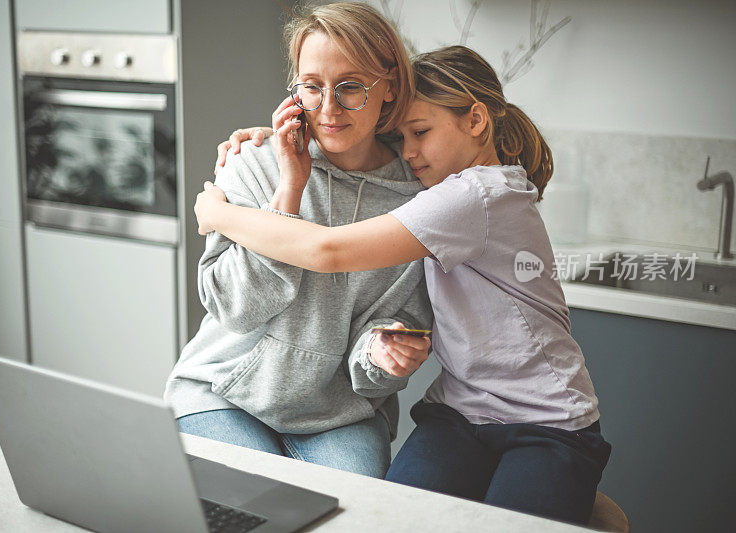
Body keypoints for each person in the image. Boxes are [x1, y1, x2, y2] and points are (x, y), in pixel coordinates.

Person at [195, 45, 612, 526]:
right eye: (401, 136)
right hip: (459, 414)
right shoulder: (442, 188)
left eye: (420, 133)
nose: (408, 151)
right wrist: (284, 138)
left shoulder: (474, 195)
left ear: (476, 121)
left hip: (547, 423)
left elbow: (327, 251)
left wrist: (219, 214)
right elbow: (368, 157)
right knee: (389, 520)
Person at [164, 2, 433, 480]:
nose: (328, 109)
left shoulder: (417, 202)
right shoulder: (254, 161)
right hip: (220, 390)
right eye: (312, 87)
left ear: (390, 85)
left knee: (356, 513)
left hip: (336, 413)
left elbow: (388, 340)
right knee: (253, 500)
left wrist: (383, 356)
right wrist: (288, 190)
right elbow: (235, 308)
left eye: (350, 87)